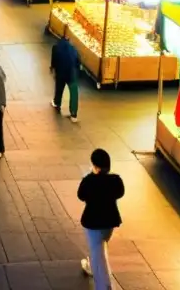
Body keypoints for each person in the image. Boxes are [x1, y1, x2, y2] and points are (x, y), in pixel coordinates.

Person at [78, 148, 125, 289]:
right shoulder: (116, 180)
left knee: (98, 252)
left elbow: (81, 195)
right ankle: (92, 264)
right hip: (110, 222)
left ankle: (104, 286)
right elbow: (120, 193)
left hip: (93, 223)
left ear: (94, 165)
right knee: (99, 248)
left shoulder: (89, 181)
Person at [50, 32, 80, 123]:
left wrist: (52, 68)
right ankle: (73, 114)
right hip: (71, 73)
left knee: (59, 88)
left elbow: (54, 60)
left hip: (60, 72)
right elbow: (78, 62)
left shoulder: (56, 47)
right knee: (74, 92)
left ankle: (57, 103)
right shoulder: (73, 49)